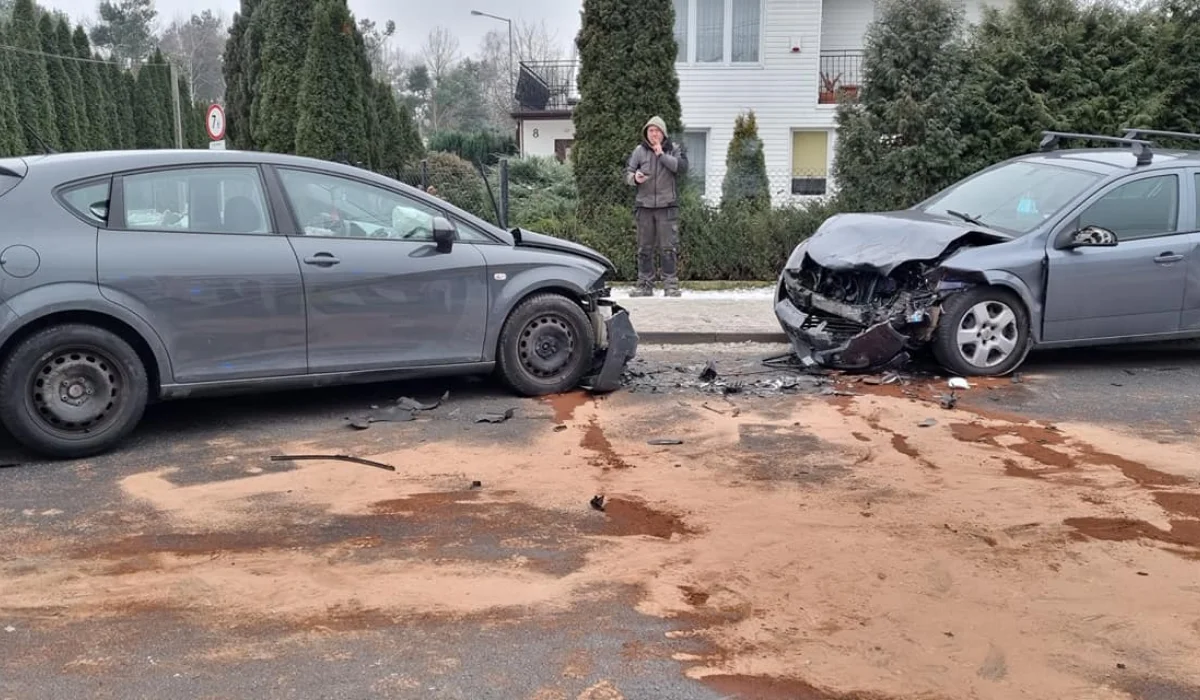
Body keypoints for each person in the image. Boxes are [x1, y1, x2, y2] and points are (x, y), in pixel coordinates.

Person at [625, 116, 688, 297]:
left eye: (657, 131)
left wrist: (661, 154)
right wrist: (634, 178)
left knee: (668, 247)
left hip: (666, 206)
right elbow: (627, 172)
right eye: (651, 131)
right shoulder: (639, 151)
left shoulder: (674, 149)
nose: (654, 134)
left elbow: (681, 168)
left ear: (663, 133)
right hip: (644, 207)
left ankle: (670, 285)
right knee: (644, 248)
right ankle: (645, 284)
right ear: (646, 133)